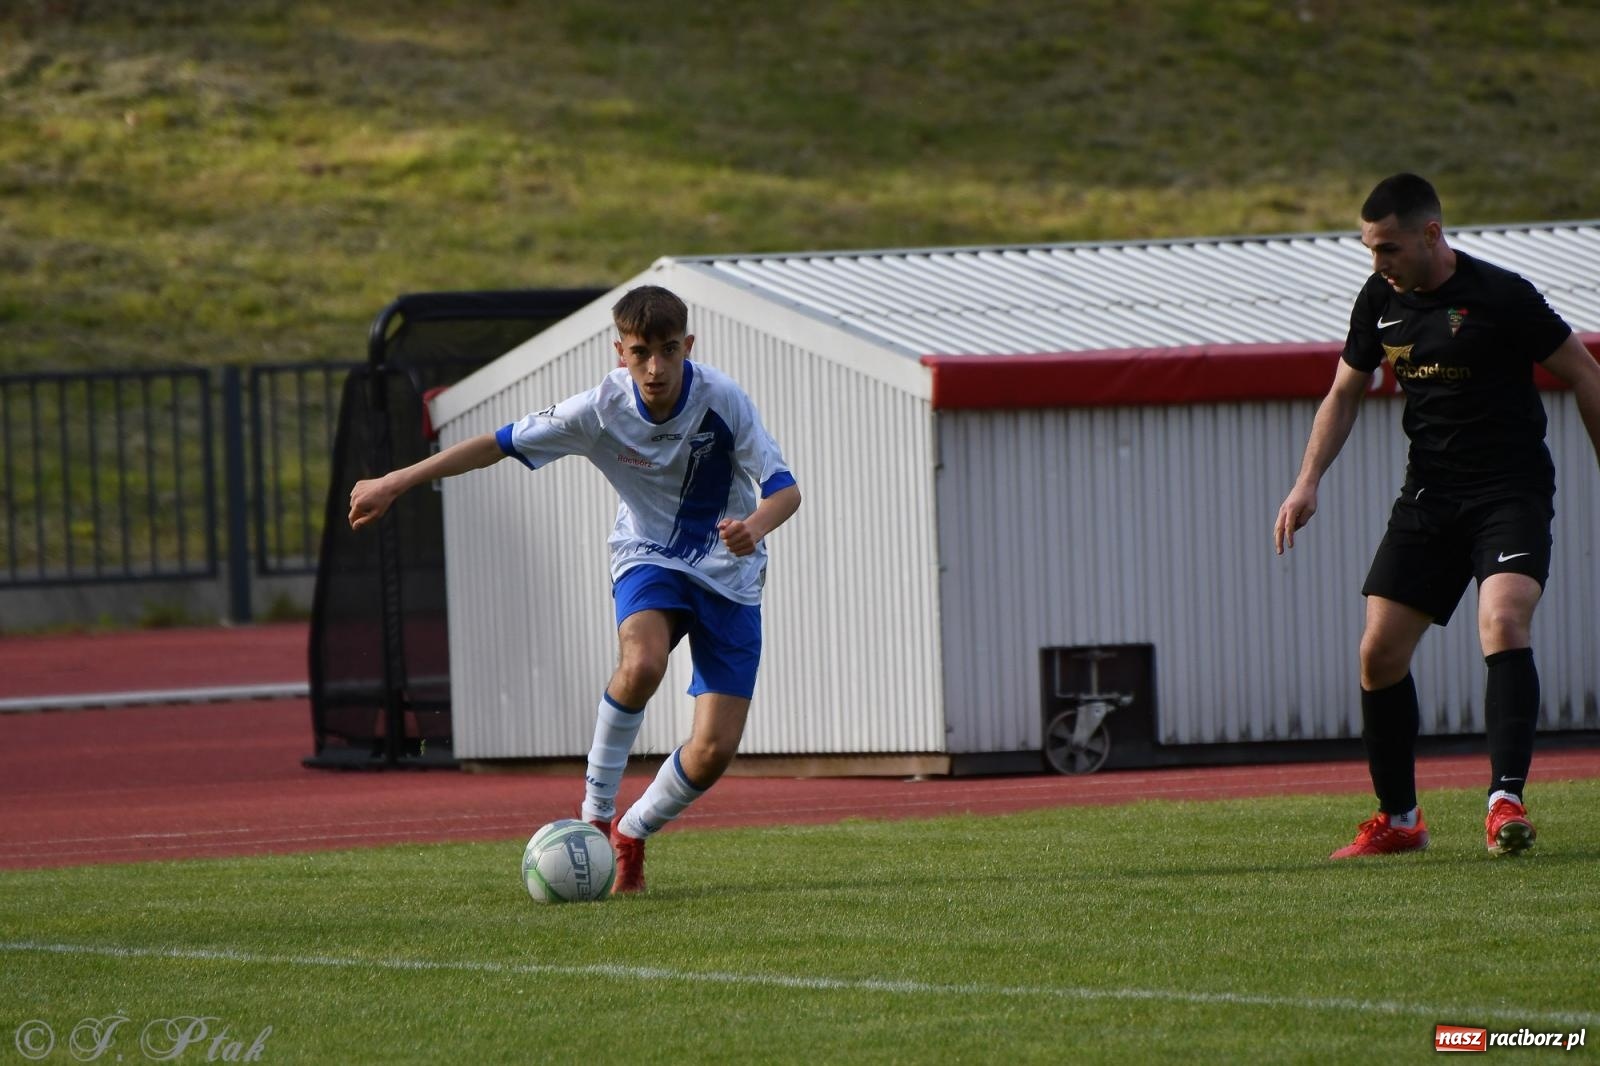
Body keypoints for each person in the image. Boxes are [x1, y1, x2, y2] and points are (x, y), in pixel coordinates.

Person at [349, 285, 801, 892]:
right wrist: (395, 481)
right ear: (620, 352)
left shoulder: (723, 399)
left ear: (688, 345)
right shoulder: (597, 410)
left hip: (730, 570)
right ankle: (594, 818)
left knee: (713, 750)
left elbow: (784, 489)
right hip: (648, 555)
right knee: (641, 665)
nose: (656, 367)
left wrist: (753, 527)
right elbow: (496, 445)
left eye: (669, 351)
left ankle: (632, 832)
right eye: (641, 352)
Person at [1274, 172, 1600, 859]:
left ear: (1430, 235)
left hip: (1508, 494)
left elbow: (1584, 374)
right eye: (1370, 249)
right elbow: (1343, 393)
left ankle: (1505, 800)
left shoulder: (1501, 295)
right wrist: (1306, 483)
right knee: (1378, 653)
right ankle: (1400, 820)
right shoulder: (1378, 301)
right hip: (1429, 498)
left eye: (1388, 248)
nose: (1378, 264)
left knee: (1503, 621)